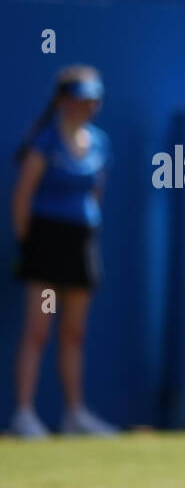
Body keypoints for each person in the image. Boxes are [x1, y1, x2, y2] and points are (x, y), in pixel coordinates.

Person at [9, 65, 117, 439]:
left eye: (92, 100)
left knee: (74, 334)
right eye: (79, 99)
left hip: (80, 244)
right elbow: (22, 197)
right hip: (46, 245)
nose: (87, 107)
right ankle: (24, 413)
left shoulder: (100, 143)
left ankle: (74, 414)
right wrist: (27, 246)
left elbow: (96, 194)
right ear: (62, 100)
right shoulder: (46, 142)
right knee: (39, 330)